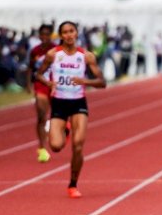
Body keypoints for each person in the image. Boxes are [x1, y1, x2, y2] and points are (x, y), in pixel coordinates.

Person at [35, 21, 106, 198]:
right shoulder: (53, 54)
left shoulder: (86, 56)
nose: (68, 35)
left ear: (76, 33)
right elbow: (38, 74)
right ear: (61, 35)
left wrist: (85, 82)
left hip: (78, 103)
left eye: (71, 31)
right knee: (56, 146)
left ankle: (73, 184)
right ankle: (65, 129)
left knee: (78, 145)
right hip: (59, 102)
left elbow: (102, 82)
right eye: (65, 32)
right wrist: (48, 82)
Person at [27, 23, 56, 163]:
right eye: (42, 34)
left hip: (55, 85)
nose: (44, 37)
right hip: (41, 85)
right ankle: (42, 147)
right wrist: (28, 83)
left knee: (59, 117)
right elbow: (30, 67)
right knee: (41, 115)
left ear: (51, 35)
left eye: (47, 34)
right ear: (39, 35)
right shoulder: (35, 51)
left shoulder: (56, 50)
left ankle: (54, 132)